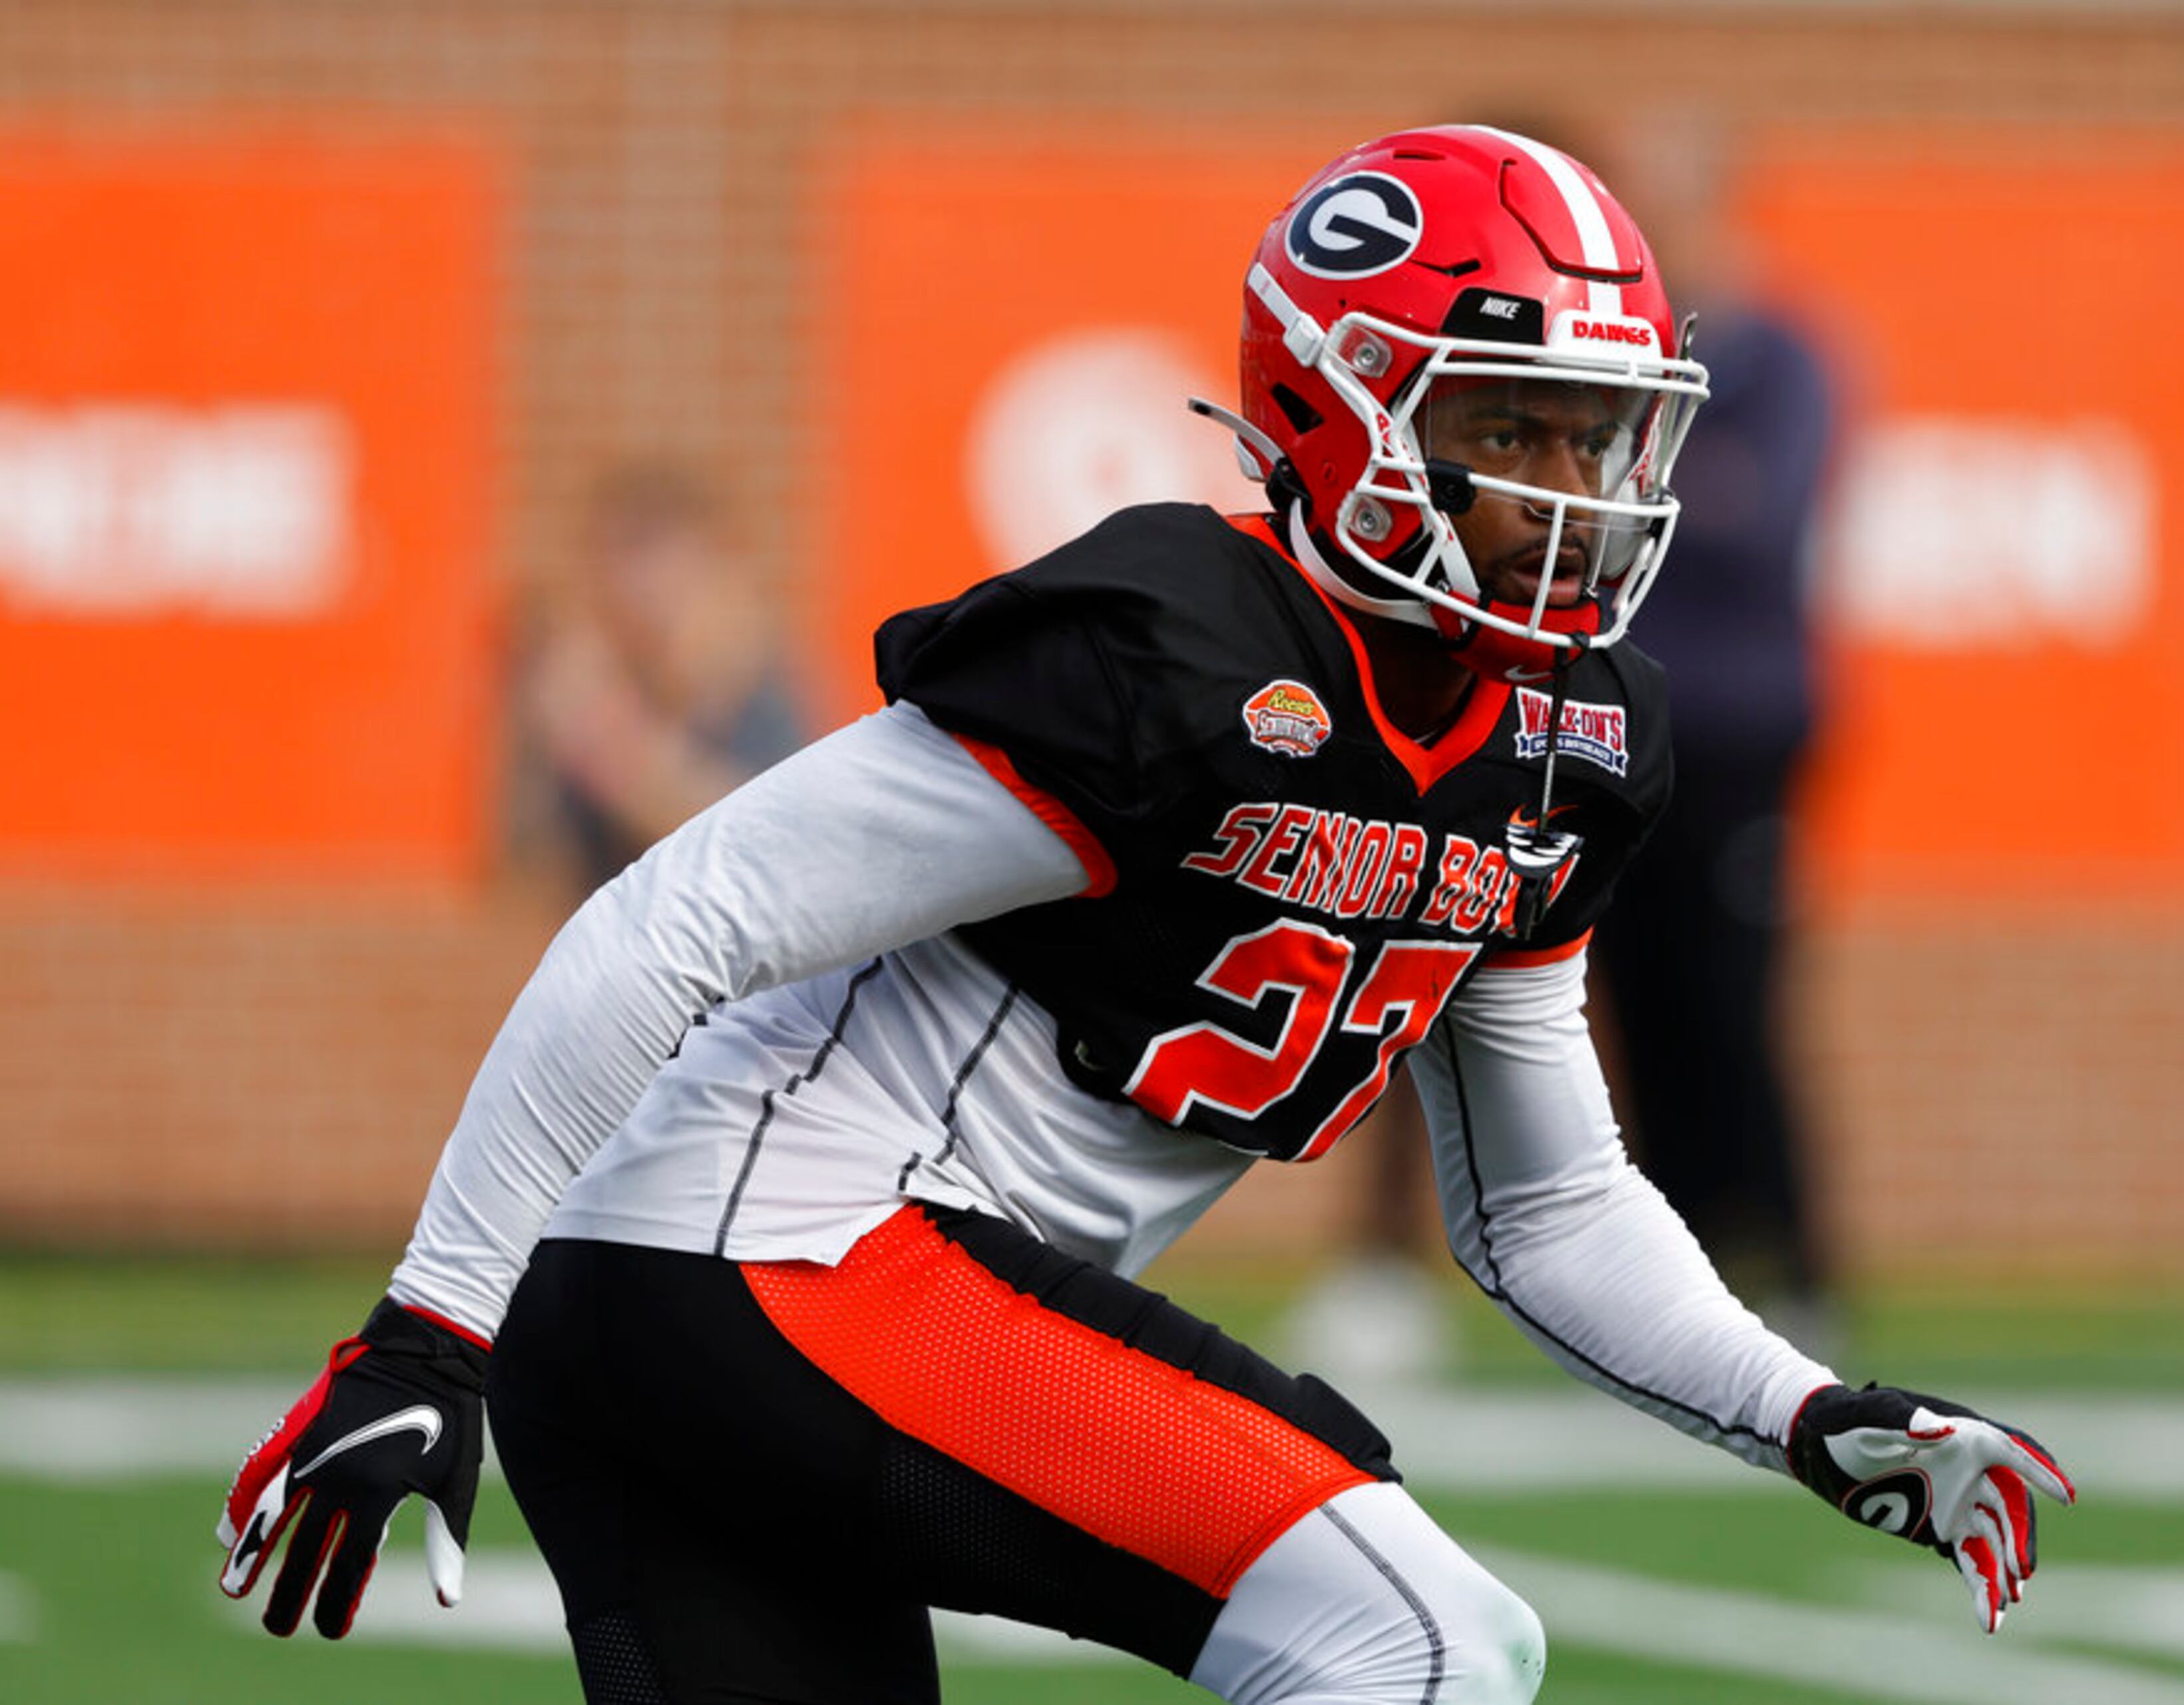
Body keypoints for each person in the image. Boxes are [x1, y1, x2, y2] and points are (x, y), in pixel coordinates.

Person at [214, 125, 2071, 1704]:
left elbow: (1549, 1208)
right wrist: (426, 1326)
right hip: (785, 1261)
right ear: (1340, 409)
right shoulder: (1176, 647)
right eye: (1514, 428)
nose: (1565, 494)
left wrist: (1798, 1411)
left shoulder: (1564, 743)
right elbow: (676, 919)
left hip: (690, 1315)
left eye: (1600, 436)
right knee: (1418, 1637)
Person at [1588, 119, 1841, 1343]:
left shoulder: (1782, 358)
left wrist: (1645, 489)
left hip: (1742, 740)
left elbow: (1758, 515)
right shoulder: (1617, 358)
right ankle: (1683, 1278)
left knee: (1736, 1003)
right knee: (1635, 1007)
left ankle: (1800, 1264)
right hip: (1624, 727)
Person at [515, 462, 808, 898]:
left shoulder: (761, 698)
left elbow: (755, 847)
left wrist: (604, 732)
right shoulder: (616, 685)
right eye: (615, 563)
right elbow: (528, 858)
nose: (632, 590)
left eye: (651, 561)